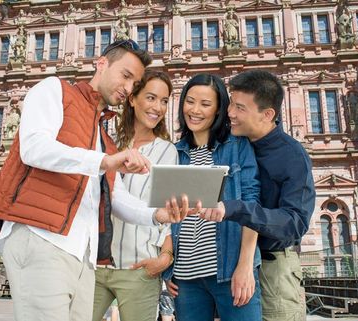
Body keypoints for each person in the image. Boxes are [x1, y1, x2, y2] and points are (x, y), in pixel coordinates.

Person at [0, 40, 192, 321]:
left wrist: (158, 215)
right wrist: (103, 162)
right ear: (101, 64)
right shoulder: (55, 89)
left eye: (134, 82)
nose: (128, 87)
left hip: (83, 254)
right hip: (42, 238)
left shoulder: (104, 138)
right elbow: (34, 148)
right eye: (125, 75)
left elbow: (116, 197)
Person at [200, 70, 316, 321]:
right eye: (231, 104)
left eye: (240, 108)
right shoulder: (230, 144)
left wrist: (237, 209)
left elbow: (294, 223)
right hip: (224, 264)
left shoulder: (292, 156)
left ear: (268, 114)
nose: (230, 113)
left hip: (272, 268)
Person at [163, 74, 262, 321]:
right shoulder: (174, 153)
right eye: (190, 101)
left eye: (205, 104)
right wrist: (168, 271)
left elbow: (251, 206)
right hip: (185, 279)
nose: (195, 110)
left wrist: (246, 265)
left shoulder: (237, 147)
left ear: (219, 109)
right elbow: (164, 217)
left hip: (230, 270)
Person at [93, 70, 178, 321]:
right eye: (151, 98)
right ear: (132, 99)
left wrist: (165, 258)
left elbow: (169, 212)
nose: (158, 107)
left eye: (164, 101)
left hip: (140, 266)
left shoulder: (167, 151)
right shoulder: (107, 144)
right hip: (95, 266)